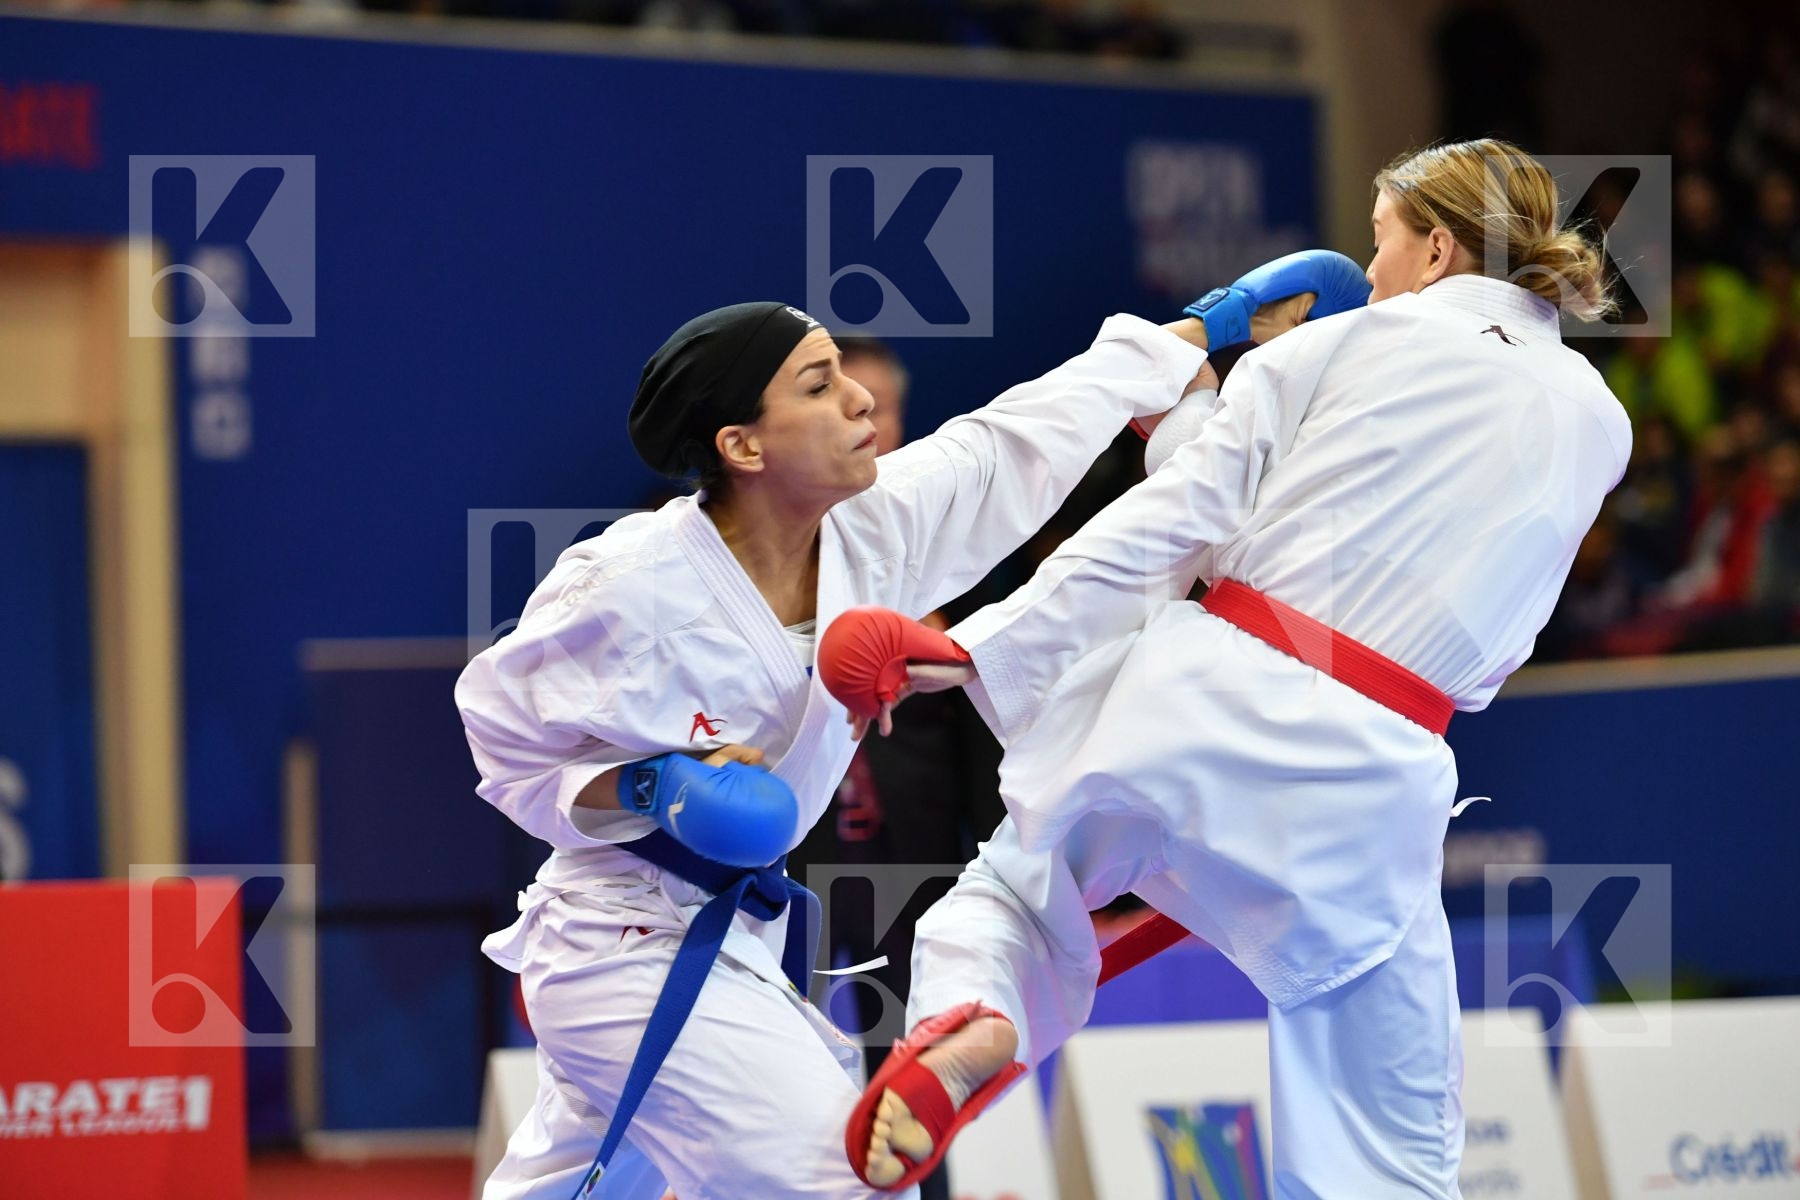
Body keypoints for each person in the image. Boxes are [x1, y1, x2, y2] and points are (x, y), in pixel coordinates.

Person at [820, 139, 1632, 1198]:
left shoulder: (1325, 354)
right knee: (1381, 1124)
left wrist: (976, 642)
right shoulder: (1599, 420)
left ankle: (977, 1016)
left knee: (1017, 895)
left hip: (1208, 696)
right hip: (1381, 768)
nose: (1368, 268)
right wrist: (1218, 416)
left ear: (1437, 248)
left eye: (1380, 241)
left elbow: (1184, 519)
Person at [455, 287, 1351, 1199]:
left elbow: (1012, 442)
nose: (859, 401)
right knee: (842, 1178)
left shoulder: (872, 529)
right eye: (818, 386)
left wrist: (1209, 327)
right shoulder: (629, 585)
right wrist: (650, 786)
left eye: (848, 377)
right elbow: (498, 727)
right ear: (742, 445)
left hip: (735, 937)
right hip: (622, 937)